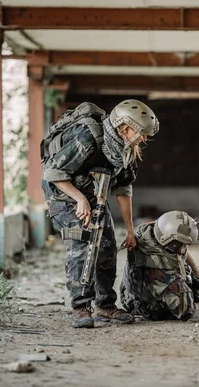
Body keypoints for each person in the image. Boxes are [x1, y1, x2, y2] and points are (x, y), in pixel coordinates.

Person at [41, 100, 159, 328]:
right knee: (82, 241)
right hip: (62, 191)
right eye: (141, 133)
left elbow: (123, 190)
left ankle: (105, 305)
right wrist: (80, 199)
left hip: (94, 193)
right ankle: (80, 307)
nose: (143, 139)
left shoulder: (126, 150)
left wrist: (130, 230)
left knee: (105, 245)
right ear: (124, 127)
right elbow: (53, 173)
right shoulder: (87, 137)